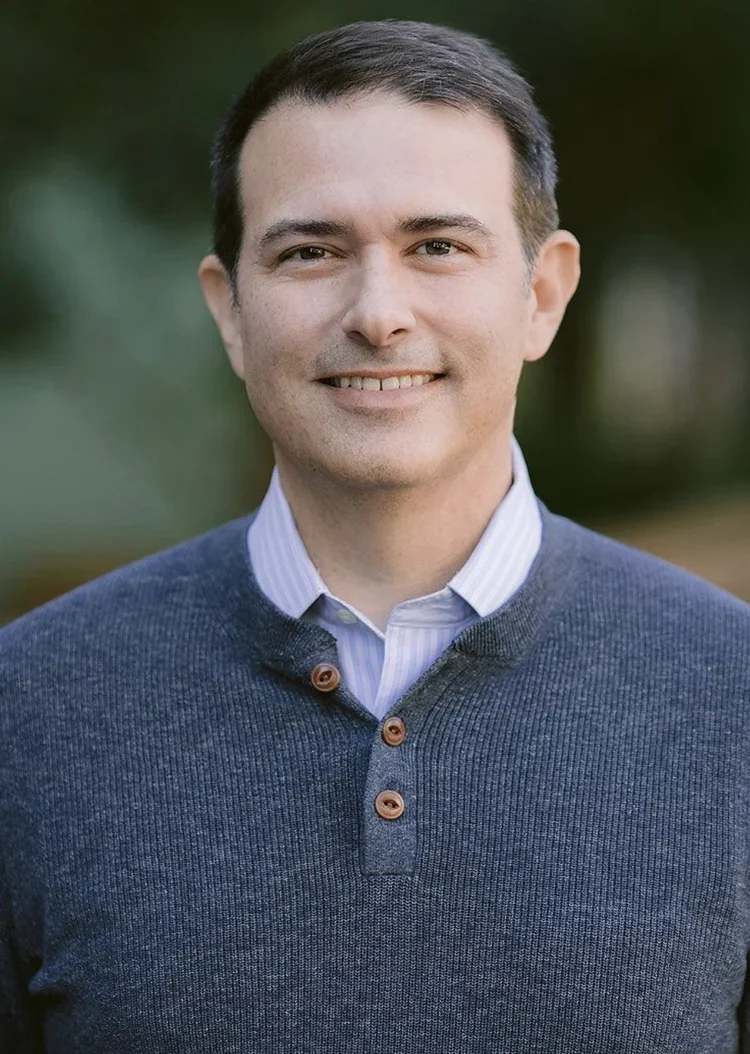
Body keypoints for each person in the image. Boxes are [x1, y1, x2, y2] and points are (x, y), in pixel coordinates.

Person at [1, 18, 749, 1053]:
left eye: (437, 246)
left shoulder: (734, 699)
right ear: (230, 310)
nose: (379, 312)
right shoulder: (27, 710)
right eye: (311, 252)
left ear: (542, 293)